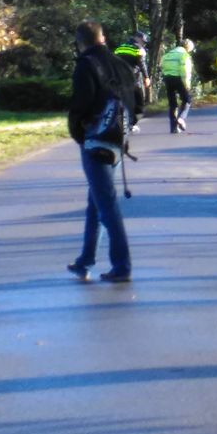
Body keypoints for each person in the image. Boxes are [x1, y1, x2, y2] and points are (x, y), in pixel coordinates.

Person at [67, 21, 134, 283]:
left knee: (106, 207)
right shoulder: (121, 64)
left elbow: (79, 106)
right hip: (118, 141)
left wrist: (79, 135)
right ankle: (85, 260)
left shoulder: (86, 65)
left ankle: (122, 265)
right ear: (102, 38)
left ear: (81, 41)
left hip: (95, 142)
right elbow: (136, 101)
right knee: (96, 202)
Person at [113, 30, 150, 129]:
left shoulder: (120, 47)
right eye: (143, 41)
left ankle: (123, 122)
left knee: (123, 100)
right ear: (137, 39)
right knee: (138, 101)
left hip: (119, 77)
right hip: (132, 78)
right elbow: (142, 64)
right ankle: (131, 123)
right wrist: (146, 77)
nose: (143, 43)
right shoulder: (137, 48)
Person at [161, 38, 194, 134]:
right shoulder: (184, 55)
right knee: (187, 100)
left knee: (173, 104)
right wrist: (187, 84)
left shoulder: (168, 54)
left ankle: (173, 128)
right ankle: (181, 118)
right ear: (188, 47)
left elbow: (162, 66)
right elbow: (185, 71)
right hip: (179, 78)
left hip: (168, 79)